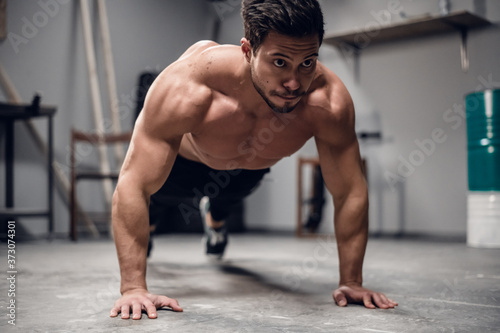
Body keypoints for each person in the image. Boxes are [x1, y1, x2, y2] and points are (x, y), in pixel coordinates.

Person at [110, 0, 398, 320]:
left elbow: (350, 191)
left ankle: (214, 220)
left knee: (225, 205)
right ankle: (178, 220)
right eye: (279, 62)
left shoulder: (328, 101)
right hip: (183, 166)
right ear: (248, 50)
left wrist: (352, 281)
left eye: (307, 62)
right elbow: (133, 184)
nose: (293, 82)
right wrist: (133, 288)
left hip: (247, 170)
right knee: (153, 213)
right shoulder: (190, 86)